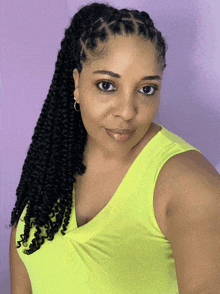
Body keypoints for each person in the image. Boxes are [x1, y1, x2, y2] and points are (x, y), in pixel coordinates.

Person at [9, 2, 220, 293]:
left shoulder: (190, 186)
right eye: (107, 85)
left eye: (146, 89)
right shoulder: (49, 163)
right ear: (77, 84)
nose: (127, 111)